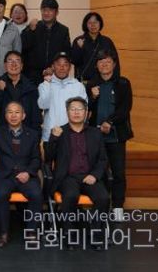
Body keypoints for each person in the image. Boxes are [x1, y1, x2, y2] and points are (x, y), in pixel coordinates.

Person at [46, 97, 109, 251]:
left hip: (89, 176)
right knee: (70, 195)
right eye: (72, 109)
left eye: (80, 109)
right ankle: (70, 235)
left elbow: (103, 159)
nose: (76, 112)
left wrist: (94, 175)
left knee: (103, 197)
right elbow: (48, 157)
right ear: (67, 112)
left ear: (86, 113)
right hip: (68, 177)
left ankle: (95, 235)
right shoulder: (60, 132)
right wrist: (54, 138)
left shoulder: (95, 133)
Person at [0, 102, 43, 248]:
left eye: (17, 112)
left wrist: (28, 173)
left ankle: (31, 231)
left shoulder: (33, 134)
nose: (13, 115)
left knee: (36, 194)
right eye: (10, 112)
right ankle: (3, 233)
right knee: (1, 195)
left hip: (26, 176)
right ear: (5, 115)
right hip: (4, 176)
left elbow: (36, 159)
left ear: (23, 115)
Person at [86, 50, 133, 220]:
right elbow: (85, 109)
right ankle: (102, 205)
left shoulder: (123, 83)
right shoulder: (91, 85)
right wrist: (92, 97)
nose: (104, 64)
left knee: (118, 172)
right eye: (101, 62)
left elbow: (125, 108)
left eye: (107, 61)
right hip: (96, 137)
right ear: (96, 65)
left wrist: (110, 122)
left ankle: (118, 205)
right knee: (100, 172)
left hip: (116, 136)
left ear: (114, 64)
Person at [38, 51, 87, 146]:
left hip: (72, 136)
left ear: (70, 67)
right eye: (58, 64)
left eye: (65, 64)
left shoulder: (78, 86)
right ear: (53, 66)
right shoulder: (44, 85)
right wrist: (48, 83)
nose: (62, 67)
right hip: (50, 136)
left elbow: (83, 112)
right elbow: (43, 105)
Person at [21, 0, 71, 85]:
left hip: (55, 75)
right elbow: (23, 48)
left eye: (50, 10)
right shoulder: (33, 27)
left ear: (56, 12)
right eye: (44, 10)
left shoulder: (63, 30)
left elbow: (66, 53)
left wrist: (54, 68)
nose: (46, 13)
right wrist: (30, 31)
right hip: (32, 76)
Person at [0, 51, 42, 134]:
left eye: (17, 61)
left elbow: (36, 115)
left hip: (26, 133)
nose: (14, 64)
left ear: (22, 66)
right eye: (10, 61)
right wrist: (0, 91)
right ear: (5, 65)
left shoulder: (31, 86)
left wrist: (35, 135)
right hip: (3, 134)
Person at [71, 12, 120, 83]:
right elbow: (74, 61)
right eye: (90, 23)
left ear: (100, 24)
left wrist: (115, 80)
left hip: (103, 81)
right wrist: (80, 49)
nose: (93, 25)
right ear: (86, 25)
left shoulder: (107, 41)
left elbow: (115, 62)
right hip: (84, 81)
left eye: (95, 22)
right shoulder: (79, 40)